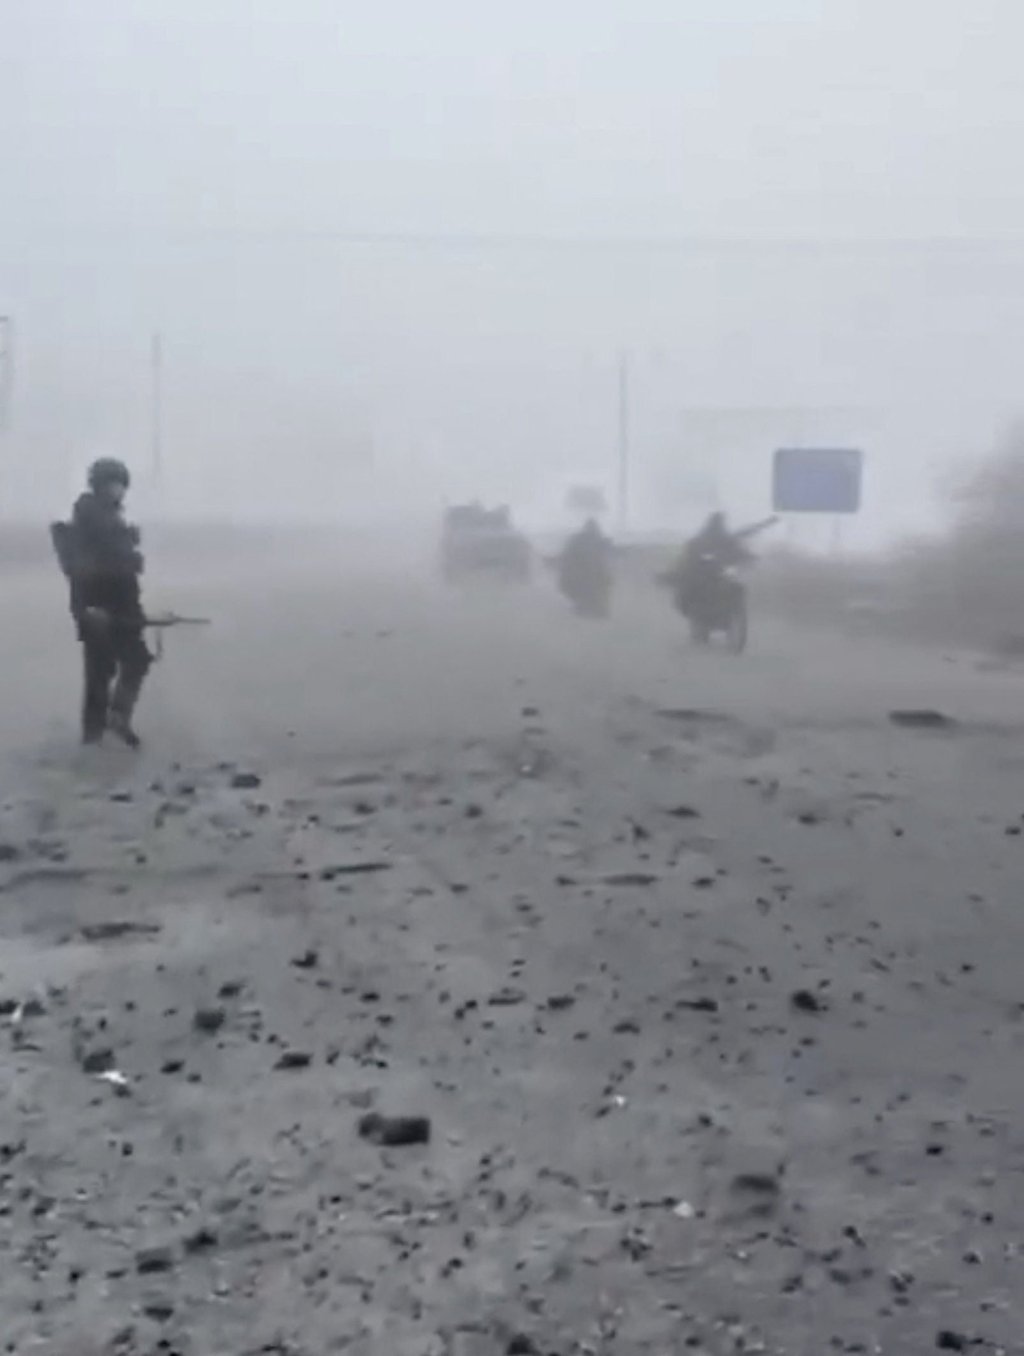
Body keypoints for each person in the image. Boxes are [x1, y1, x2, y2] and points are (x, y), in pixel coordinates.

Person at [64, 458, 151, 747]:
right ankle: (93, 735)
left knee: (135, 659)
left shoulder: (110, 517)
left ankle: (115, 719)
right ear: (99, 485)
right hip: (98, 606)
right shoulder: (90, 518)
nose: (118, 490)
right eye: (113, 484)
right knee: (100, 670)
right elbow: (81, 568)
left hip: (122, 604)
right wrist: (87, 608)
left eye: (120, 484)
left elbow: (119, 565)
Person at [557, 517, 613, 614]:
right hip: (585, 575)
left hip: (588, 575)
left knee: (589, 591)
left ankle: (589, 608)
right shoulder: (587, 540)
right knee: (589, 591)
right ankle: (589, 608)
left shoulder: (578, 540)